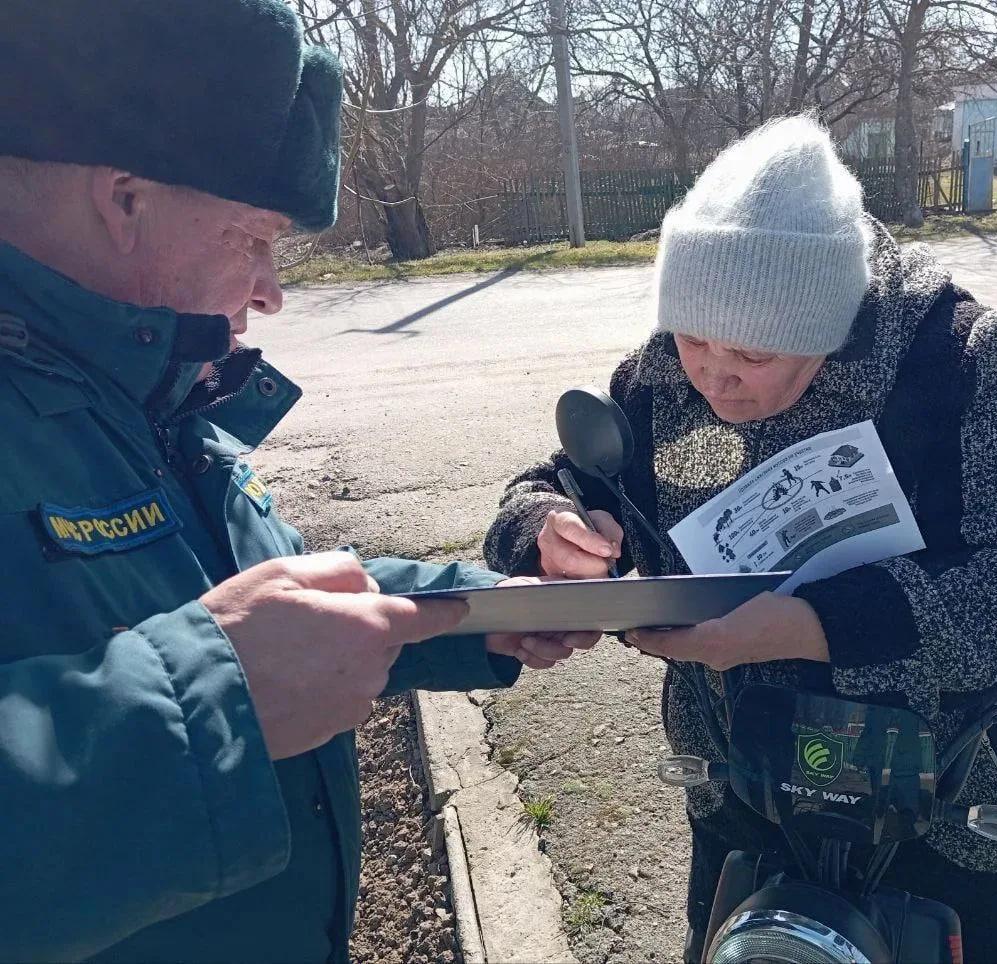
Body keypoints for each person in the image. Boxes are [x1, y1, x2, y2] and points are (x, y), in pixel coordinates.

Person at [0, 2, 596, 961]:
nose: (273, 289)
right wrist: (219, 700)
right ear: (124, 199)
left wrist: (486, 610)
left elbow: (279, 612)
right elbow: (236, 661)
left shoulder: (142, 384)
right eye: (254, 236)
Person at [484, 116, 997, 963]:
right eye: (693, 336)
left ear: (830, 320)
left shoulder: (954, 354)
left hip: (972, 801)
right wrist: (548, 529)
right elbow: (556, 484)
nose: (713, 373)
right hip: (756, 795)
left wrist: (808, 627)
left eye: (752, 350)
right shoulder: (661, 376)